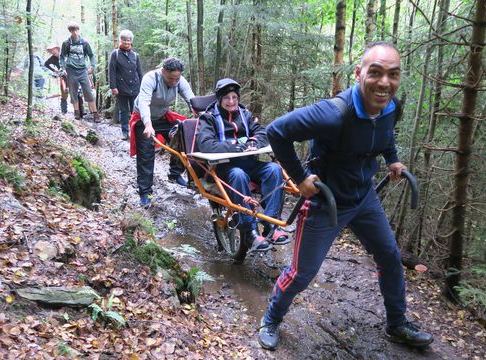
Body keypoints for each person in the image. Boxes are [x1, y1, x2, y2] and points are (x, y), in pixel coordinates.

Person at [258, 41, 434, 350]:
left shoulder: (391, 106)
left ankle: (397, 323)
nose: (384, 83)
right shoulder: (333, 114)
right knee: (302, 273)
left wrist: (392, 158)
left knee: (390, 256)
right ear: (359, 73)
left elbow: (386, 133)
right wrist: (300, 178)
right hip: (325, 203)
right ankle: (271, 317)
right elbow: (276, 132)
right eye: (376, 73)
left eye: (393, 75)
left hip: (364, 198)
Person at [197, 78, 290, 252]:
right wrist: (234, 146)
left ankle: (271, 225)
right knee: (238, 175)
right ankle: (250, 231)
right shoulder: (208, 118)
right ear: (219, 99)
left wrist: (254, 142)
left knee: (274, 169)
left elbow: (262, 132)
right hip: (224, 167)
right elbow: (206, 144)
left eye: (234, 97)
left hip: (250, 162)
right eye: (226, 98)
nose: (231, 101)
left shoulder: (245, 114)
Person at [130, 57, 194, 207]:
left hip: (162, 116)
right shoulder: (150, 78)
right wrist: (147, 124)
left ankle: (175, 173)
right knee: (146, 154)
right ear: (163, 71)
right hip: (143, 118)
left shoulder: (179, 80)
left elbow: (191, 99)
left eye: (176, 79)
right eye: (171, 78)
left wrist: (199, 112)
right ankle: (145, 192)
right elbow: (144, 102)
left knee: (184, 135)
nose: (174, 82)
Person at [60, 21, 100, 122]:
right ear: (70, 31)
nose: (74, 32)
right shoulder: (66, 43)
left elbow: (91, 55)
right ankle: (76, 113)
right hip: (71, 70)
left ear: (78, 30)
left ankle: (95, 114)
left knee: (88, 92)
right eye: (72, 30)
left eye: (76, 29)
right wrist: (63, 67)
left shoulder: (84, 43)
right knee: (73, 92)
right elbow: (62, 57)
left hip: (83, 70)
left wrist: (92, 66)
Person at [108, 30, 143, 141]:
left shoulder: (135, 56)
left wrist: (143, 87)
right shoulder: (116, 54)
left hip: (135, 87)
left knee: (135, 110)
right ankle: (124, 132)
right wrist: (113, 87)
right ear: (120, 41)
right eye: (124, 41)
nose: (126, 43)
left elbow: (140, 72)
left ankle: (135, 131)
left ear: (131, 41)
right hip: (121, 87)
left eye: (128, 41)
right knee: (123, 110)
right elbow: (111, 71)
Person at [44, 44, 69, 114]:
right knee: (63, 93)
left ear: (57, 49)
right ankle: (64, 111)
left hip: (71, 73)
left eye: (54, 50)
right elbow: (46, 64)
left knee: (78, 93)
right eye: (51, 51)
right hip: (62, 75)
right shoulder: (52, 58)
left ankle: (80, 111)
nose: (53, 51)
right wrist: (54, 70)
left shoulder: (64, 55)